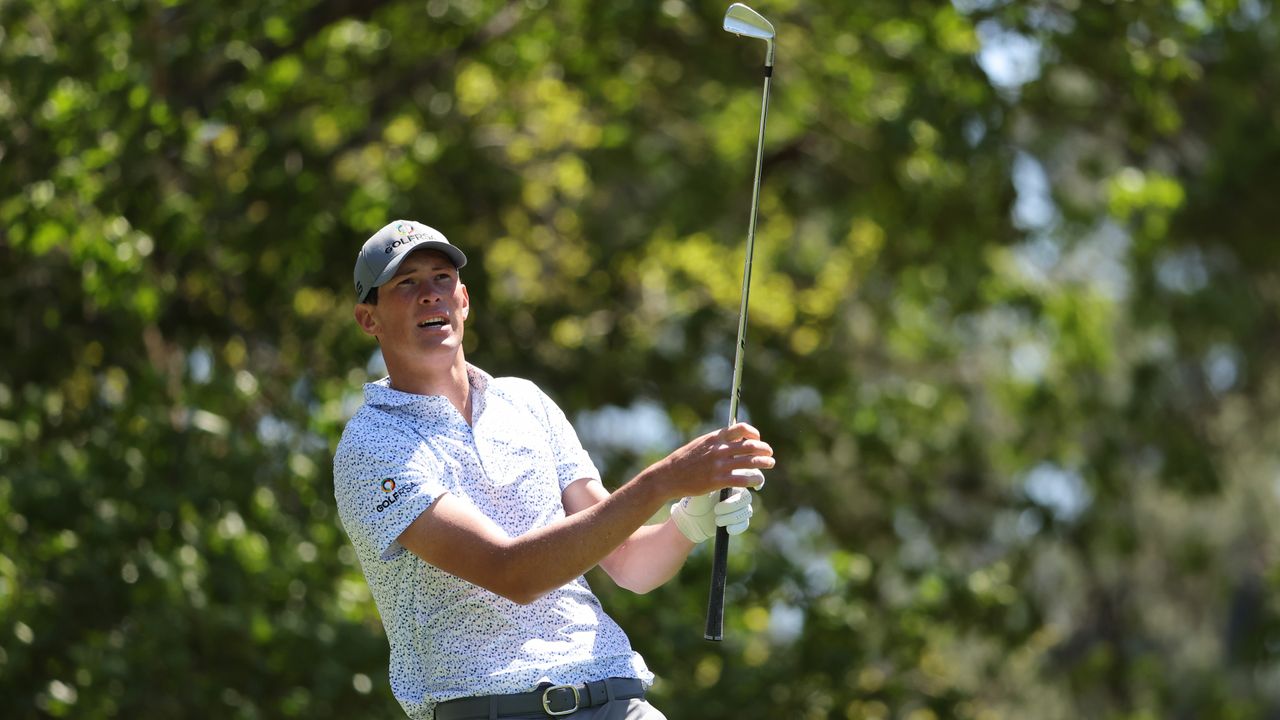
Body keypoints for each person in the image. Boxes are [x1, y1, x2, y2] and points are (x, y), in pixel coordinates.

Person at [333, 220, 775, 720]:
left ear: (464, 299)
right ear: (368, 319)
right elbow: (512, 572)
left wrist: (688, 519)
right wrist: (664, 479)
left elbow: (630, 563)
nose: (430, 295)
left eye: (441, 278)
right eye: (405, 283)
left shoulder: (525, 403)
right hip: (495, 708)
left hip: (617, 695)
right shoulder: (373, 445)